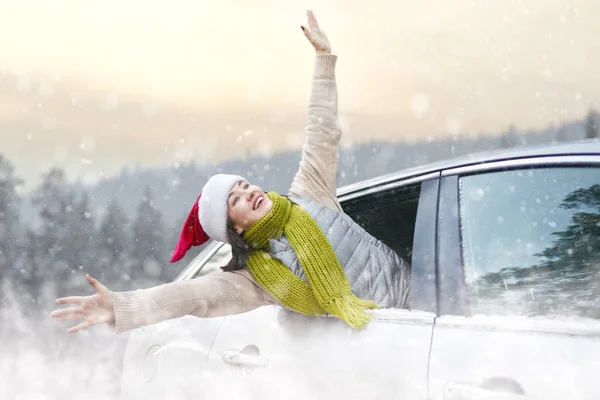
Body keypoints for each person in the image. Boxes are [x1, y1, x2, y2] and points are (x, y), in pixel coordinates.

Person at [50, 10, 410, 334]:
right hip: (398, 336)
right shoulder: (255, 280)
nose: (248, 192)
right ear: (234, 228)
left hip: (433, 299)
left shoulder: (309, 196)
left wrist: (323, 60)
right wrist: (120, 307)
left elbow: (322, 131)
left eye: (242, 185)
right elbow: (190, 296)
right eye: (234, 199)